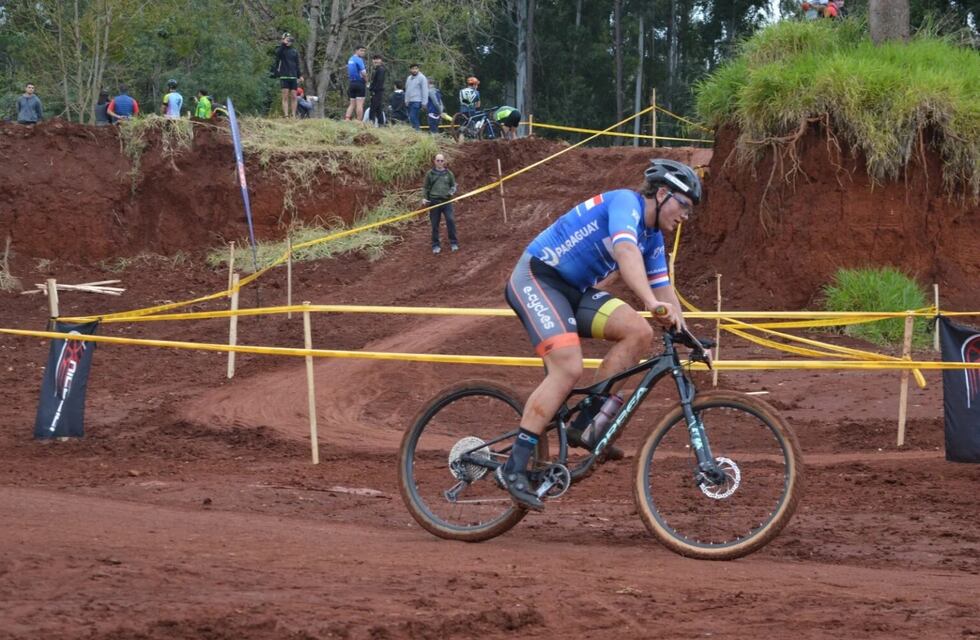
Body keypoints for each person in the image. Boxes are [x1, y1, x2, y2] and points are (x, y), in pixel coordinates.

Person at [497, 158, 702, 511]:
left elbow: (666, 291)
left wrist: (693, 339)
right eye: (683, 205)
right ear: (663, 193)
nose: (685, 215)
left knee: (638, 332)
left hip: (573, 291)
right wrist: (651, 302)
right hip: (537, 277)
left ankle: (586, 421)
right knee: (567, 367)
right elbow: (625, 253)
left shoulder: (652, 239)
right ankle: (513, 466)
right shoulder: (626, 202)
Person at [421, 153, 459, 254]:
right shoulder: (430, 174)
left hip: (447, 201)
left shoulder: (448, 173)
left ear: (444, 162)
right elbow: (425, 187)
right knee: (434, 225)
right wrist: (424, 198)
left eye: (441, 161)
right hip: (434, 202)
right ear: (435, 161)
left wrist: (452, 191)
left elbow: (453, 185)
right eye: (438, 160)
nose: (440, 162)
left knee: (450, 221)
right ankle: (435, 245)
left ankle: (454, 243)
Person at [271, 32, 302, 117]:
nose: (289, 41)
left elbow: (297, 64)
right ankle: (286, 115)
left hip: (293, 76)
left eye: (290, 39)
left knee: (294, 96)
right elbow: (277, 55)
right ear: (283, 39)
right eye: (287, 39)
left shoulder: (294, 51)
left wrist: (299, 75)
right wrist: (283, 44)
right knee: (285, 96)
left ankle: (293, 115)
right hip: (284, 75)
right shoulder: (280, 49)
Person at [344, 45, 368, 121]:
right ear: (356, 50)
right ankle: (359, 121)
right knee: (360, 104)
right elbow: (364, 73)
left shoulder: (350, 59)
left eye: (364, 51)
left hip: (352, 83)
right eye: (361, 50)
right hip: (359, 83)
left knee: (352, 104)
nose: (363, 52)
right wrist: (367, 80)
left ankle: (347, 119)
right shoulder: (359, 60)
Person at [404, 64, 428, 131]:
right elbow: (407, 90)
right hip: (409, 101)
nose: (414, 70)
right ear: (410, 70)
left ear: (418, 69)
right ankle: (415, 132)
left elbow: (425, 90)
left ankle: (417, 132)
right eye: (413, 69)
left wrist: (424, 103)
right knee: (412, 118)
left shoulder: (422, 78)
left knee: (413, 116)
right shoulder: (409, 78)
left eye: (416, 68)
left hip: (417, 101)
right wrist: (406, 100)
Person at [368, 53, 386, 127]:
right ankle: (381, 125)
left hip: (377, 92)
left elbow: (379, 82)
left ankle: (370, 125)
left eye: (378, 59)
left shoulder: (381, 70)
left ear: (381, 61)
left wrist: (372, 90)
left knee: (372, 110)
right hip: (376, 92)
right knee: (378, 110)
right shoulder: (376, 70)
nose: (376, 61)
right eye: (375, 59)